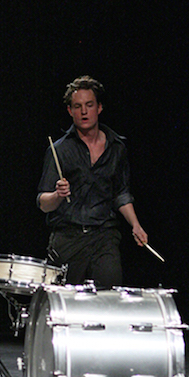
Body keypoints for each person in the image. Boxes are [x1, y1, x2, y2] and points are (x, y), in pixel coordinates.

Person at [37, 75, 147, 288]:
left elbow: (121, 193)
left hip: (104, 237)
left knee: (108, 300)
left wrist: (136, 225)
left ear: (99, 107)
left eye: (89, 105)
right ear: (70, 111)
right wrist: (57, 195)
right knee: (68, 307)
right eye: (78, 107)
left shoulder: (117, 147)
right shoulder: (58, 150)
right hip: (68, 239)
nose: (84, 112)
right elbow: (43, 203)